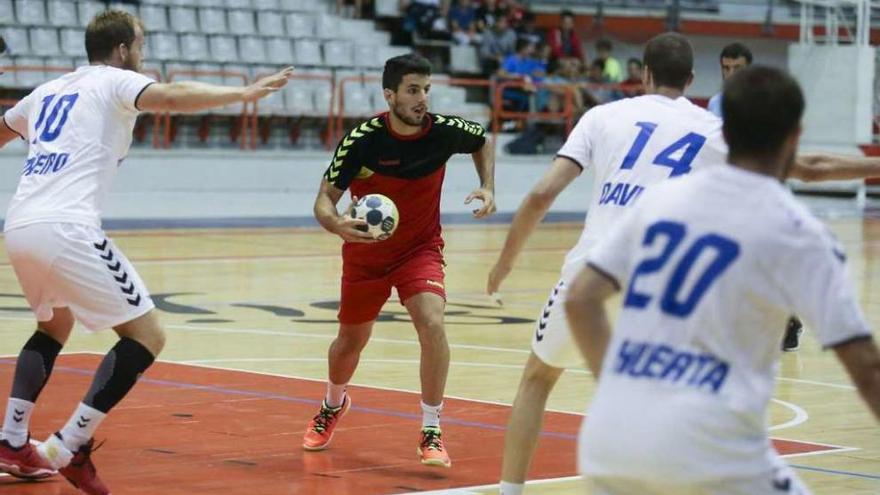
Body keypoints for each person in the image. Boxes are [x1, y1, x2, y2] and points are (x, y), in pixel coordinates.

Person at [486, 32, 880, 495]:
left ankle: (511, 489)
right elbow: (811, 167)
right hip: (664, 273)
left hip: (594, 269)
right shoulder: (710, 133)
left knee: (537, 378)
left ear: (644, 73)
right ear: (693, 80)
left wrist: (506, 261)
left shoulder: (603, 115)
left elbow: (541, 194)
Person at [0, 10, 292, 495]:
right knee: (148, 335)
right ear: (122, 50)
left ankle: (12, 440)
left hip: (20, 225)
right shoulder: (116, 81)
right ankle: (70, 444)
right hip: (68, 227)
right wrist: (243, 93)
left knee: (55, 324)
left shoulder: (47, 91)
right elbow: (173, 96)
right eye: (141, 44)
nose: (144, 53)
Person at [303, 53, 495, 469]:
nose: (421, 98)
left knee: (433, 323)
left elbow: (482, 140)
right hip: (365, 255)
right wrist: (336, 224)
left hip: (420, 250)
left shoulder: (446, 131)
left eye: (426, 89)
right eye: (412, 90)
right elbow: (323, 199)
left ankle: (431, 429)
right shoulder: (363, 139)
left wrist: (487, 186)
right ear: (389, 94)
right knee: (348, 344)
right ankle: (333, 403)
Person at [707, 42, 752, 118]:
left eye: (737, 68)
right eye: (726, 68)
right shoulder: (714, 102)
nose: (731, 74)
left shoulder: (762, 103)